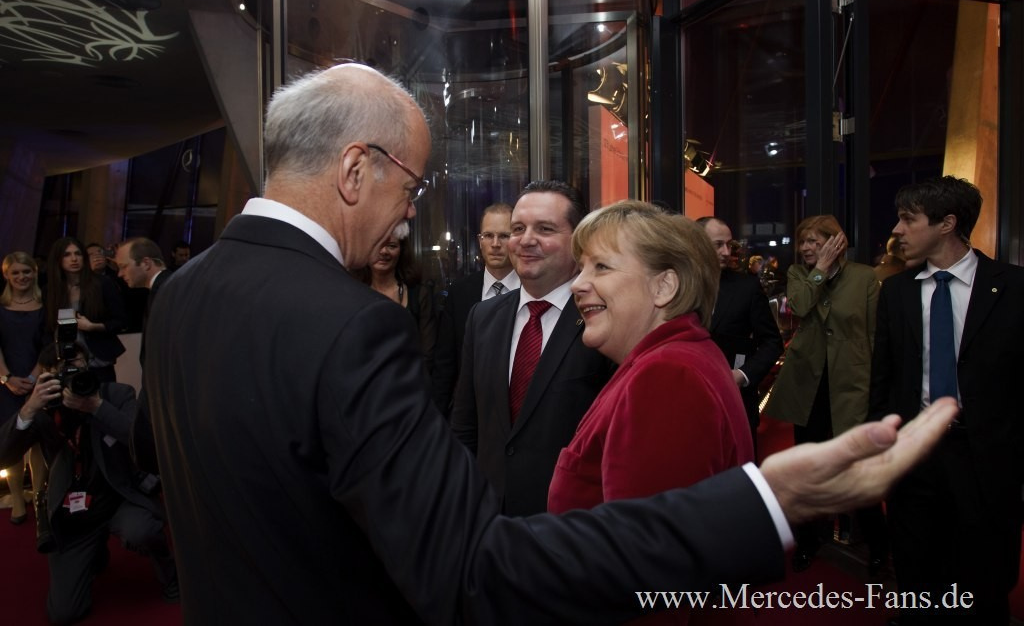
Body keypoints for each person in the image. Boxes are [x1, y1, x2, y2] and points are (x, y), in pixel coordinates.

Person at [142, 63, 959, 625]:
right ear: (356, 168)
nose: (411, 212)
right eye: (413, 185)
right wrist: (766, 499)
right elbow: (473, 570)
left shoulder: (180, 294)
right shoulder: (350, 322)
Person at [549, 202, 754, 625]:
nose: (577, 284)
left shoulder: (667, 376)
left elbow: (649, 581)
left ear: (664, 287)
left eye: (601, 266)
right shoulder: (677, 358)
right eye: (581, 267)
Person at [870, 176, 1024, 625]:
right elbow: (883, 378)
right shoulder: (896, 293)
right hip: (914, 455)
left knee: (984, 580)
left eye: (908, 219)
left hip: (985, 459)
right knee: (916, 571)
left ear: (947, 224)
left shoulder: (1013, 288)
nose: (897, 229)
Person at [451, 180, 615, 516]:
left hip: (570, 523)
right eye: (518, 229)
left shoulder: (604, 320)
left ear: (578, 240)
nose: (526, 240)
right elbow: (466, 425)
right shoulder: (482, 317)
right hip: (490, 518)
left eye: (544, 229)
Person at [0, 342, 176, 624]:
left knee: (142, 530)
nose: (71, 377)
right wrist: (30, 408)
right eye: (62, 372)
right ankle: (94, 553)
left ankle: (170, 572)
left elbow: (142, 442)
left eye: (77, 367)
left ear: (89, 365)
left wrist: (96, 407)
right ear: (47, 378)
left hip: (119, 498)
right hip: (74, 513)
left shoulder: (117, 394)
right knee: (64, 613)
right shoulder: (44, 411)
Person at [764, 215, 884, 573]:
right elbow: (800, 306)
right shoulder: (799, 275)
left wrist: (876, 383)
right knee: (810, 464)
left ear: (836, 242)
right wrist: (821, 270)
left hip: (851, 382)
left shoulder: (864, 277)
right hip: (808, 383)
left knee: (857, 465)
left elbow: (874, 333)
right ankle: (809, 539)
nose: (805, 248)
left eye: (814, 242)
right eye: (803, 242)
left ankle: (878, 544)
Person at [699, 217, 783, 452]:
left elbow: (772, 342)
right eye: (718, 245)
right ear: (696, 243)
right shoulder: (675, 285)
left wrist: (742, 375)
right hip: (690, 406)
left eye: (729, 245)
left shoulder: (747, 287)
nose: (726, 252)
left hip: (735, 405)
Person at [430, 203, 519, 417]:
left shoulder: (532, 290)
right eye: (488, 236)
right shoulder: (460, 293)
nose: (495, 244)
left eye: (504, 236)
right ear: (480, 241)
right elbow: (445, 364)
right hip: (471, 413)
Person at [0, 251, 47, 524]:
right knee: (12, 441)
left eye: (26, 271)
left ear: (35, 272)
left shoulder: (46, 305)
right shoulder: (0, 306)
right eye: (15, 272)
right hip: (6, 385)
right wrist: (6, 378)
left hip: (38, 382)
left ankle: (39, 496)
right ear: (6, 275)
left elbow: (48, 346)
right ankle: (17, 497)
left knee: (38, 439)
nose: (21, 277)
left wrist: (32, 379)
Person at [44, 238, 126, 383]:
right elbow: (48, 328)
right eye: (67, 255)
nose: (74, 259)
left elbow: (121, 321)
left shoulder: (102, 283)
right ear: (57, 259)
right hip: (65, 361)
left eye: (78, 254)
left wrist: (93, 327)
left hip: (98, 361)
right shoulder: (50, 290)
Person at [354, 230, 436, 372]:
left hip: (412, 380)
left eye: (392, 246)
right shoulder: (353, 293)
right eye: (377, 244)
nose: (384, 251)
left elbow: (428, 354)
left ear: (401, 251)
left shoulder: (419, 294)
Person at [112, 237, 169, 364]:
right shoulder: (162, 287)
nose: (120, 274)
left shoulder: (165, 290)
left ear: (146, 263)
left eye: (124, 266)